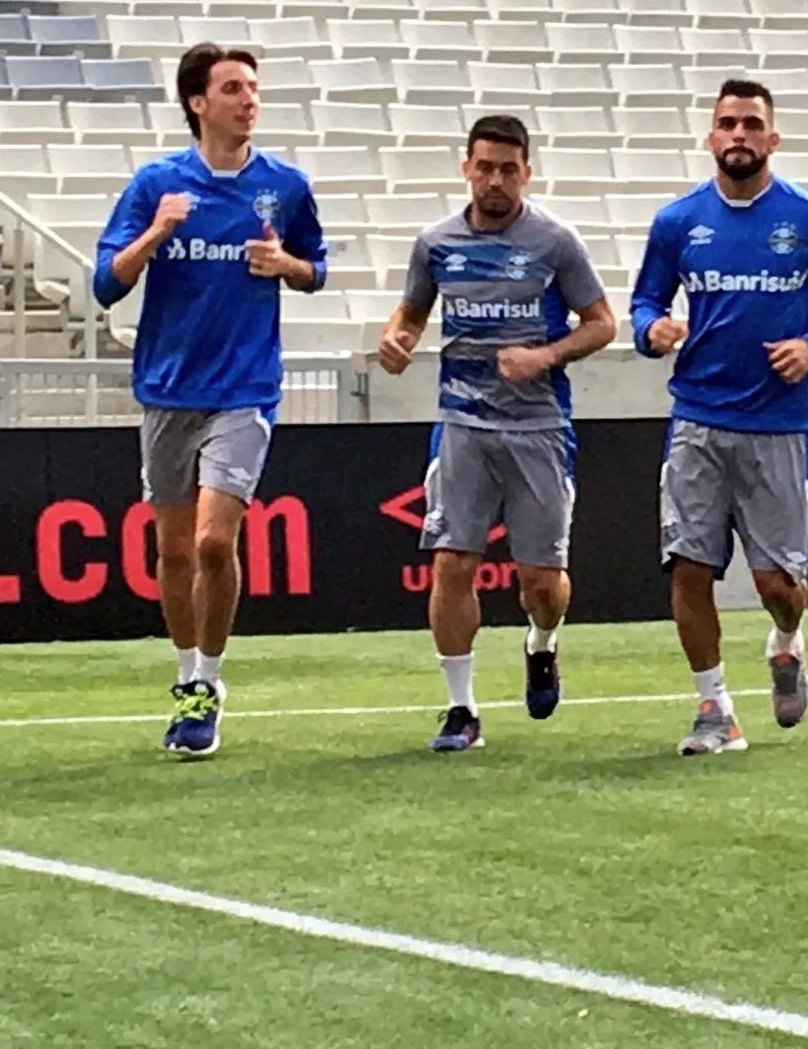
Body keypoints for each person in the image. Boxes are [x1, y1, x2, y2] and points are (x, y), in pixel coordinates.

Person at [92, 43, 328, 759]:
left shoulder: (284, 185)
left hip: (245, 387)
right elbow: (106, 283)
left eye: (252, 87)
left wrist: (286, 265)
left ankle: (207, 683)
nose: (247, 99)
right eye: (232, 88)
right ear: (198, 102)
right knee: (172, 551)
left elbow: (314, 268)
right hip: (168, 388)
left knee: (213, 541)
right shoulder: (156, 184)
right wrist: (159, 232)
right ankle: (185, 671)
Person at [628, 78, 808, 757]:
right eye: (727, 123)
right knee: (688, 569)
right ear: (710, 136)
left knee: (778, 585)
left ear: (772, 137)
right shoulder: (678, 222)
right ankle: (714, 710)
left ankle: (787, 641)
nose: (738, 135)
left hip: (779, 426)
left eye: (751, 124)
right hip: (697, 420)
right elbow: (643, 302)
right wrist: (652, 331)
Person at [377, 114, 617, 752]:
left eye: (508, 169)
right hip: (461, 423)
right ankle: (460, 708)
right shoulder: (436, 243)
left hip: (538, 427)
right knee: (452, 563)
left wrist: (543, 357)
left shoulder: (554, 243)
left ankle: (542, 642)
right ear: (466, 168)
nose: (495, 180)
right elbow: (411, 311)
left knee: (540, 582)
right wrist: (397, 338)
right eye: (484, 166)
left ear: (526, 173)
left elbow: (601, 324)